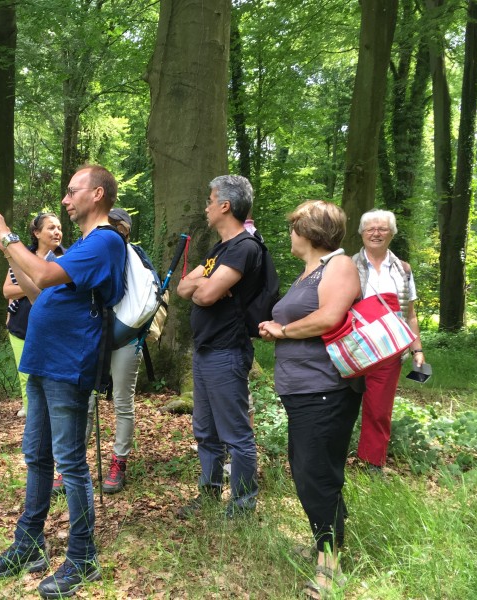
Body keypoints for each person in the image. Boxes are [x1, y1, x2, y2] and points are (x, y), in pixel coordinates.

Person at [0, 165, 125, 599]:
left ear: (97, 194)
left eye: (72, 191)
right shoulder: (81, 246)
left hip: (68, 363)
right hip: (44, 361)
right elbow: (38, 293)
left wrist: (7, 233)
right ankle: (29, 545)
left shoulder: (105, 241)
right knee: (37, 455)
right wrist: (8, 252)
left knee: (70, 463)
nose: (65, 199)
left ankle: (83, 557)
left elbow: (42, 276)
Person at [258, 200, 363, 598]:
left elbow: (329, 317)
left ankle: (330, 568)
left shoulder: (339, 265)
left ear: (308, 231)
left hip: (326, 388)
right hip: (302, 388)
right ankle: (327, 546)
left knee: (315, 475)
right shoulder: (310, 272)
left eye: (293, 227)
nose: (290, 234)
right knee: (313, 471)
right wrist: (276, 325)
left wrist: (282, 331)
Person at [176, 175, 262, 519]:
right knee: (206, 431)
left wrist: (206, 285)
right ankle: (209, 495)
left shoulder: (244, 247)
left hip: (227, 351)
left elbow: (205, 295)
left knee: (236, 434)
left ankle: (242, 506)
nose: (206, 207)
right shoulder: (219, 250)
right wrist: (207, 282)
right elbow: (184, 288)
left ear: (225, 206)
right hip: (205, 350)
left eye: (210, 201)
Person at [352, 210, 424, 472]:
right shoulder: (347, 265)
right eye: (370, 229)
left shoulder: (403, 269)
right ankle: (332, 459)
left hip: (389, 350)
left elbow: (410, 314)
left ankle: (372, 464)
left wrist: (417, 349)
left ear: (392, 234)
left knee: (379, 409)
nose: (376, 233)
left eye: (382, 229)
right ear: (361, 233)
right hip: (353, 347)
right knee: (339, 405)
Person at [84, 208, 143, 494]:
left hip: (126, 339)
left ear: (126, 230)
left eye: (116, 226)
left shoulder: (136, 258)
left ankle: (119, 462)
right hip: (94, 337)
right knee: (85, 402)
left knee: (122, 402)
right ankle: (73, 464)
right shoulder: (92, 252)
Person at [3, 212, 64, 418]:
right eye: (51, 228)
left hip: (52, 327)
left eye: (59, 228)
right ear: (37, 233)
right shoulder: (22, 257)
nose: (57, 232)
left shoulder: (66, 258)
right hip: (20, 324)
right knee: (25, 374)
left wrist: (35, 283)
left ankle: (48, 413)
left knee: (49, 374)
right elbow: (7, 291)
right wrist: (36, 284)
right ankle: (31, 414)